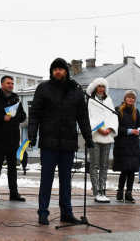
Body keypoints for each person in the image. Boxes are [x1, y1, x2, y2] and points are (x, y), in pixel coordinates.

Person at [28, 58, 94, 225]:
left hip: (68, 142)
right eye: (55, 69)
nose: (58, 71)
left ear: (66, 71)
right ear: (51, 72)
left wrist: (88, 137)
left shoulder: (76, 90)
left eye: (61, 69)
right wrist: (32, 135)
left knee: (66, 180)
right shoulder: (43, 88)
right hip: (49, 142)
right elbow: (34, 113)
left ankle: (67, 212)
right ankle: (43, 212)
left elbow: (83, 117)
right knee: (46, 179)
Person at [0, 75, 27, 202]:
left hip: (13, 138)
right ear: (2, 84)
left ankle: (13, 193)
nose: (11, 85)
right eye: (8, 83)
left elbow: (23, 116)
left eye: (12, 83)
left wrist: (15, 116)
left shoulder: (16, 99)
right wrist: (2, 117)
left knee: (12, 168)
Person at [86, 77, 118, 203]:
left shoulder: (109, 100)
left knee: (104, 165)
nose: (101, 88)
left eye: (103, 86)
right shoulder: (91, 101)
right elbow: (90, 117)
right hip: (95, 135)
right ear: (95, 88)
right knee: (94, 165)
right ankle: (96, 191)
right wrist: (98, 129)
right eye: (99, 86)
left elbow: (113, 116)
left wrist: (109, 129)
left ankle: (103, 190)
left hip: (107, 136)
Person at [113, 90, 140, 203]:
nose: (131, 99)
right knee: (124, 170)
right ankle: (120, 192)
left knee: (132, 171)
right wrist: (129, 131)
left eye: (133, 98)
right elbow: (116, 128)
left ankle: (129, 193)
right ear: (125, 98)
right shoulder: (118, 110)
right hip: (122, 144)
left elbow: (139, 125)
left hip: (133, 145)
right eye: (129, 97)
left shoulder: (136, 111)